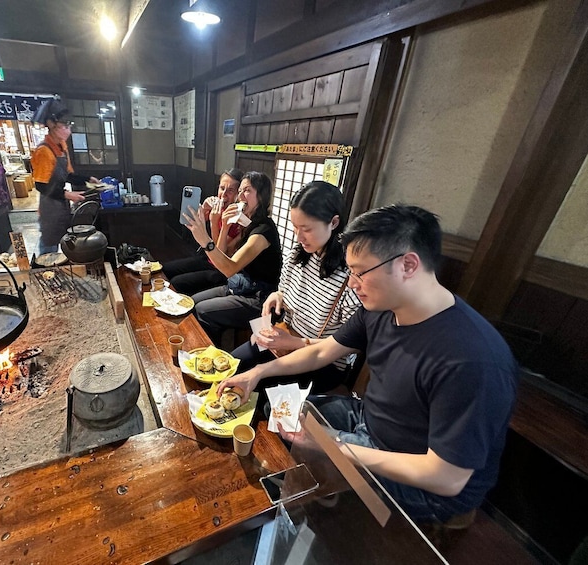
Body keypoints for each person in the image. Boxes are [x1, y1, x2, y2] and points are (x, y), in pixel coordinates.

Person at [217, 204, 518, 524]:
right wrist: (257, 372)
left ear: (408, 265)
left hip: (424, 481)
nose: (351, 284)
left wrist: (337, 448)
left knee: (326, 502)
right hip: (370, 420)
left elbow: (446, 478)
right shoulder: (383, 307)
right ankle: (315, 491)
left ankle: (318, 507)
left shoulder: (473, 361)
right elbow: (321, 352)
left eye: (360, 273)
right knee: (277, 408)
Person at [231, 181, 362, 392]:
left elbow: (349, 346)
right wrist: (277, 295)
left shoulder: (350, 276)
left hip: (322, 362)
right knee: (231, 366)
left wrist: (293, 342)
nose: (298, 237)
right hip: (284, 339)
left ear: (334, 222)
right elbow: (283, 289)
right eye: (295, 227)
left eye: (306, 229)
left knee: (252, 392)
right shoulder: (298, 254)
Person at [183, 171, 282, 345]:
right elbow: (220, 257)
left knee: (203, 310)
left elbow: (229, 268)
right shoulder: (247, 222)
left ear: (262, 196)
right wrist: (223, 226)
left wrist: (204, 239)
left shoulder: (264, 230)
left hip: (259, 298)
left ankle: (212, 355)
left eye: (248, 191)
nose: (241, 196)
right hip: (240, 285)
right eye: (241, 191)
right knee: (190, 304)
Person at [30, 100, 99, 255]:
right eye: (65, 126)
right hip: (49, 205)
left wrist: (87, 179)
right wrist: (68, 195)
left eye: (69, 126)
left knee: (62, 238)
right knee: (49, 243)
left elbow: (67, 175)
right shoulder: (43, 151)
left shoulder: (62, 146)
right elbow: (41, 186)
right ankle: (45, 272)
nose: (68, 131)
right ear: (51, 125)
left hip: (61, 203)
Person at [162, 169, 244, 295]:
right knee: (165, 269)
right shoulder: (219, 208)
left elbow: (220, 254)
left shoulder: (237, 218)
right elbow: (192, 222)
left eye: (231, 190)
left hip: (220, 269)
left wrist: (213, 222)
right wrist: (205, 207)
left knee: (176, 283)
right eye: (222, 188)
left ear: (238, 195)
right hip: (206, 258)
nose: (224, 194)